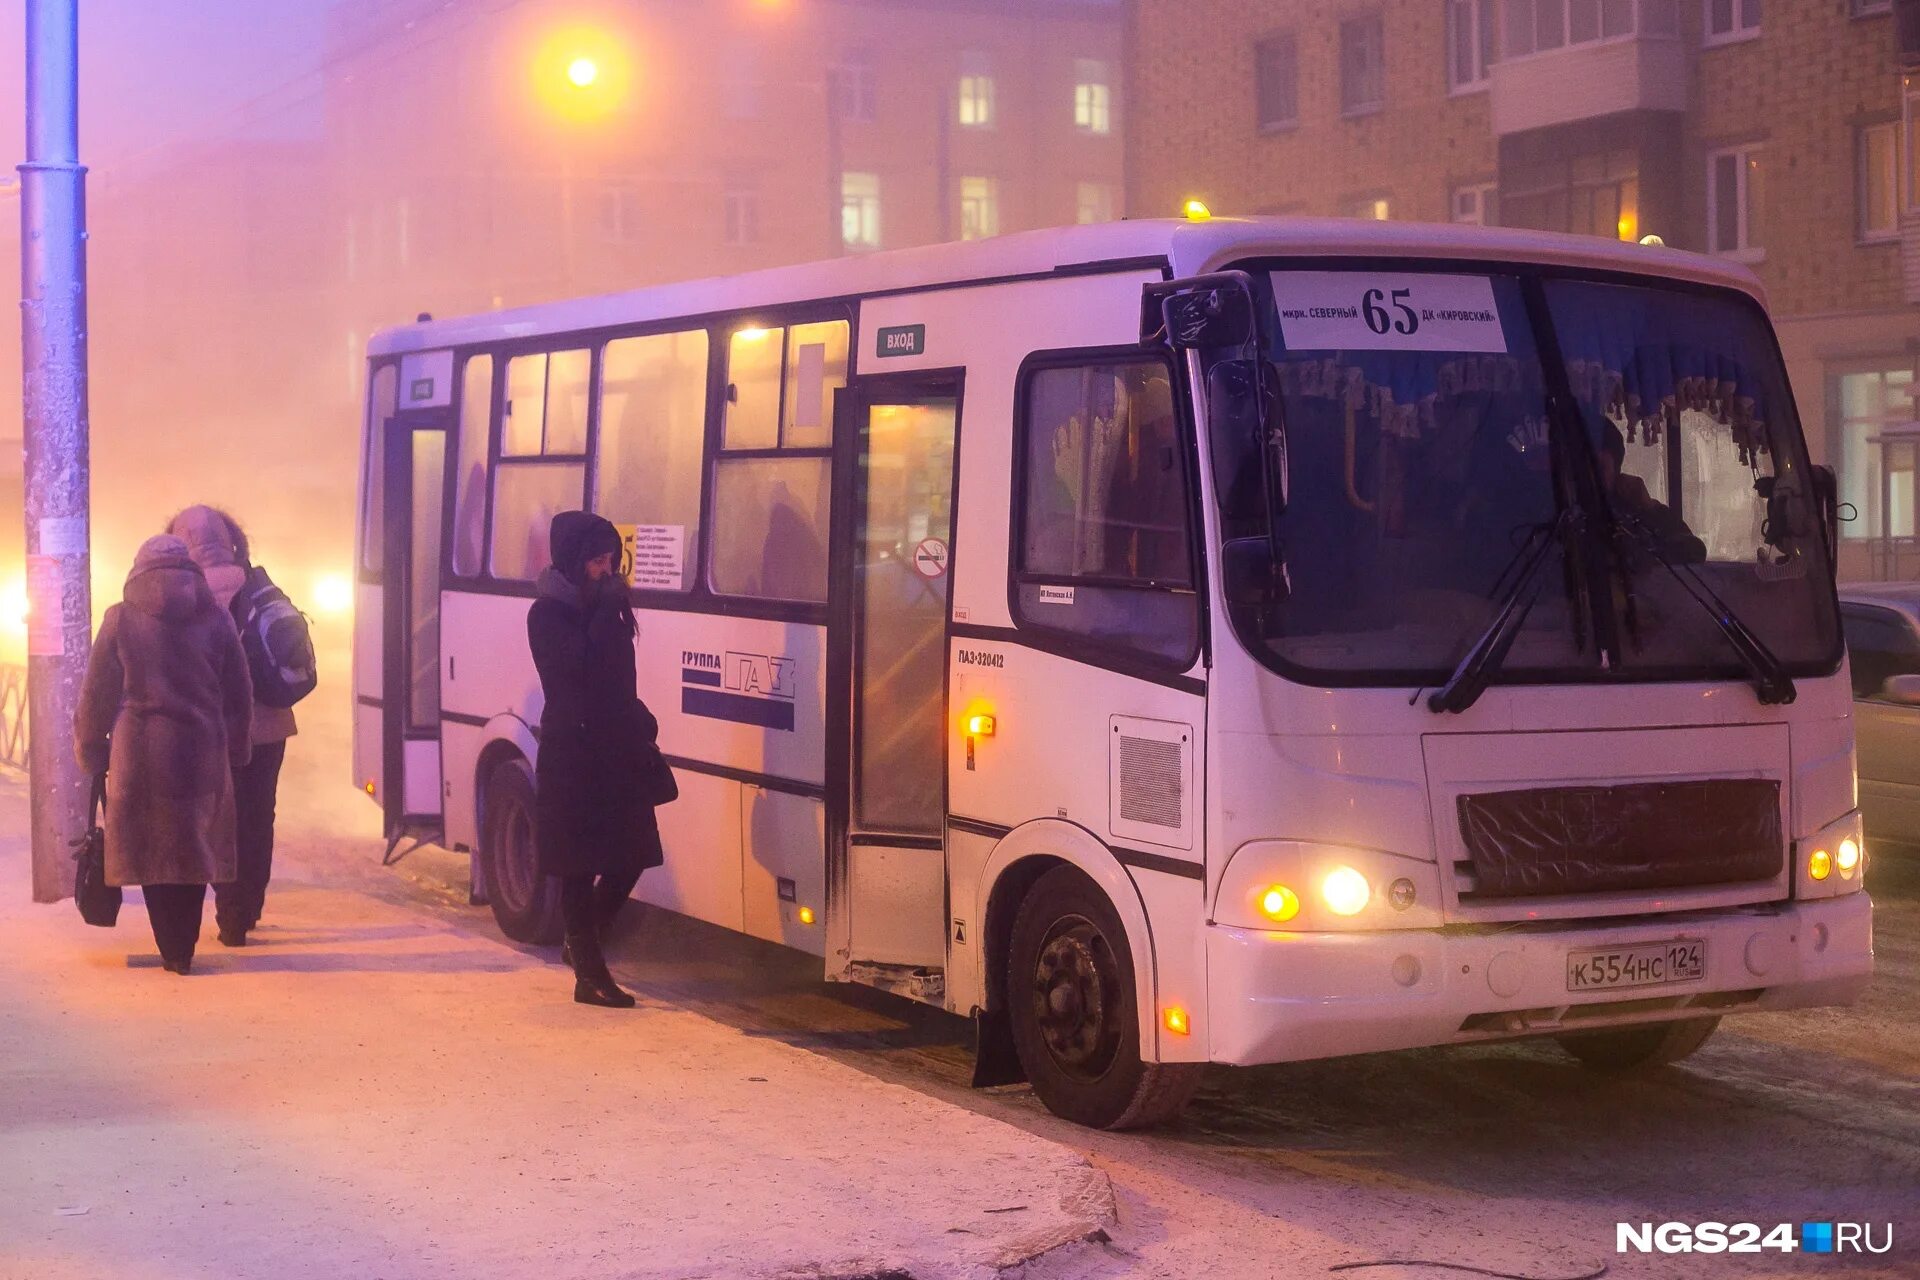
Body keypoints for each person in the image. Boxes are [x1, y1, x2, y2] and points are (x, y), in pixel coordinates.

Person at [74, 535, 253, 974]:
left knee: (152, 855)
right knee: (192, 851)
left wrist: (93, 750)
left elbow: (96, 696)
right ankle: (182, 949)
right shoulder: (217, 619)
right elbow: (239, 692)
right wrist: (238, 745)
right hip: (202, 752)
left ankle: (171, 944)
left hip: (141, 754)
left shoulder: (120, 619)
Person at [527, 511, 664, 1008]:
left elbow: (618, 678)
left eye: (611, 560)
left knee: (634, 856)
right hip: (574, 755)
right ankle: (589, 973)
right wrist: (607, 612)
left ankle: (580, 942)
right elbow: (577, 669)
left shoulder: (610, 605)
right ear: (573, 560)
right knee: (579, 868)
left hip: (616, 751)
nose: (607, 570)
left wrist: (638, 718)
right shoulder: (546, 614)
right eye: (597, 561)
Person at [167, 506, 297, 947]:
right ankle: (248, 905)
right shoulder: (257, 582)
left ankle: (231, 918)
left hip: (214, 726)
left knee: (220, 820)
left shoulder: (186, 591)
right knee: (259, 816)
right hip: (269, 725)